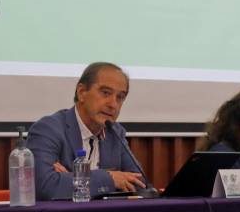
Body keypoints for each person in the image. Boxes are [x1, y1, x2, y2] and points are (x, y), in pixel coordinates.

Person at [27, 62, 151, 200]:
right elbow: (45, 187)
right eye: (105, 93)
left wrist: (71, 178)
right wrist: (109, 178)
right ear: (81, 93)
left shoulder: (115, 133)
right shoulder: (49, 129)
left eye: (120, 97)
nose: (113, 104)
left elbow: (140, 184)